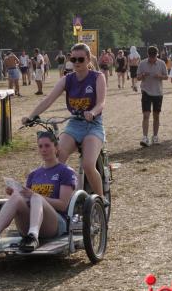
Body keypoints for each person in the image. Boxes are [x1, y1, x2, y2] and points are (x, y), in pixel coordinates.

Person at [23, 43, 108, 202]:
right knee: (56, 160)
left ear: (88, 59)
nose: (76, 62)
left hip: (93, 125)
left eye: (80, 59)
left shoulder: (97, 77)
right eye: (73, 58)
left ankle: (101, 202)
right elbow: (49, 99)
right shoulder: (67, 79)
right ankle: (63, 201)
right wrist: (31, 116)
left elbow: (101, 102)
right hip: (74, 124)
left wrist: (93, 112)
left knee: (89, 165)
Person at [0, 132, 77, 252]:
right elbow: (27, 201)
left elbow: (63, 205)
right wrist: (16, 193)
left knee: (36, 197)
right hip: (30, 223)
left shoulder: (66, 172)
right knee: (17, 197)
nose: (44, 150)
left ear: (56, 147)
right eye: (40, 146)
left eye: (47, 146)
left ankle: (33, 237)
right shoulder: (34, 174)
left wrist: (35, 195)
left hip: (55, 224)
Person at [137, 46, 169, 147]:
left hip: (158, 93)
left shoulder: (162, 63)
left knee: (156, 115)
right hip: (146, 91)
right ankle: (145, 137)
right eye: (151, 57)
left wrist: (160, 76)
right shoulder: (142, 63)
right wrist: (142, 75)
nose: (152, 59)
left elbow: (166, 77)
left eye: (154, 56)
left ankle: (155, 136)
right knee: (146, 115)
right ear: (148, 55)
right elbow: (137, 77)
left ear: (157, 55)